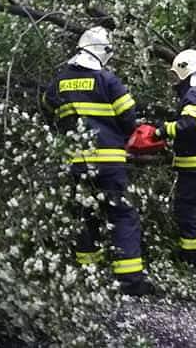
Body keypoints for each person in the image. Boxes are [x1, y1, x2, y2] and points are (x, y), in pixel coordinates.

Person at [45, 26, 153, 296]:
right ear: (103, 52)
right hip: (109, 162)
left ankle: (87, 273)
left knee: (85, 215)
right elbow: (129, 115)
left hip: (77, 163)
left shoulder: (58, 81)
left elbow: (48, 111)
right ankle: (130, 281)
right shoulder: (108, 80)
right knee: (121, 215)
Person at [154, 49, 196, 267]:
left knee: (185, 206)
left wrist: (163, 131)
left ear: (185, 72)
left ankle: (191, 256)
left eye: (175, 75)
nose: (174, 81)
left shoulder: (193, 95)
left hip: (195, 163)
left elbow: (188, 125)